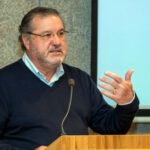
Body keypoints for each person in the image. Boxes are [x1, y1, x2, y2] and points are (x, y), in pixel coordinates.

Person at [0, 7, 139, 150]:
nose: (57, 42)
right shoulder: (4, 82)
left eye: (60, 33)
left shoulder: (79, 79)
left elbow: (111, 128)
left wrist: (126, 103)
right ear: (26, 40)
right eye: (47, 35)